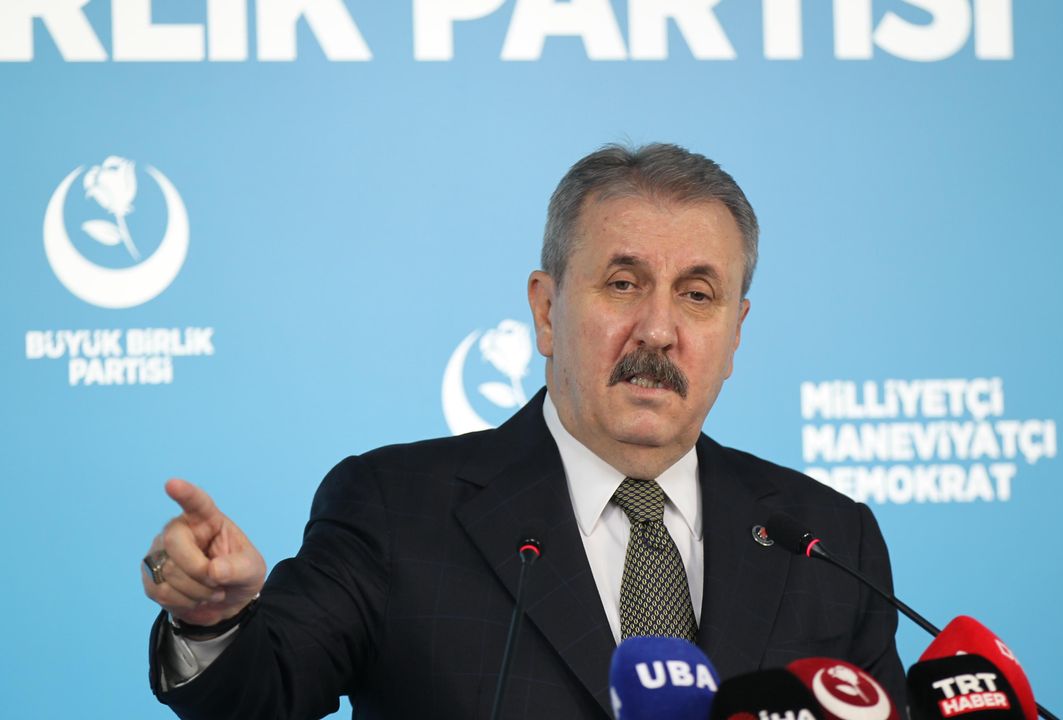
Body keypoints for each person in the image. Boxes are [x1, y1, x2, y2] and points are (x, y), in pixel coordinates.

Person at [141, 143, 907, 718]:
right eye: (623, 284)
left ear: (735, 333)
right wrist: (213, 621)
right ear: (546, 310)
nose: (658, 329)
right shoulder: (395, 508)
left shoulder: (829, 542)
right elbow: (262, 695)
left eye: (698, 295)